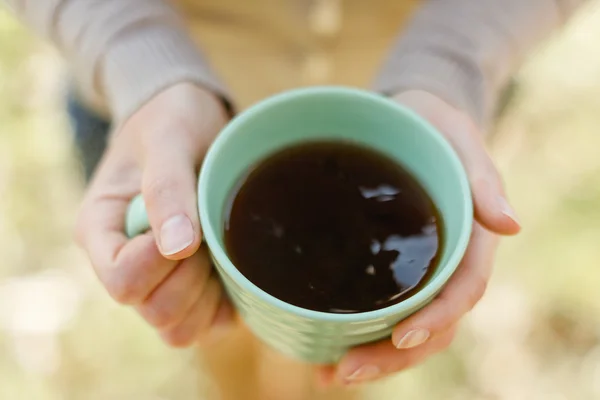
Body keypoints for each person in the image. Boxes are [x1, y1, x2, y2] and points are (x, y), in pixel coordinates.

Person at [3, 0, 586, 399]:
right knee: (213, 323)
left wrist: (453, 61)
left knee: (347, 369)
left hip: (437, 104)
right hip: (159, 128)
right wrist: (134, 57)